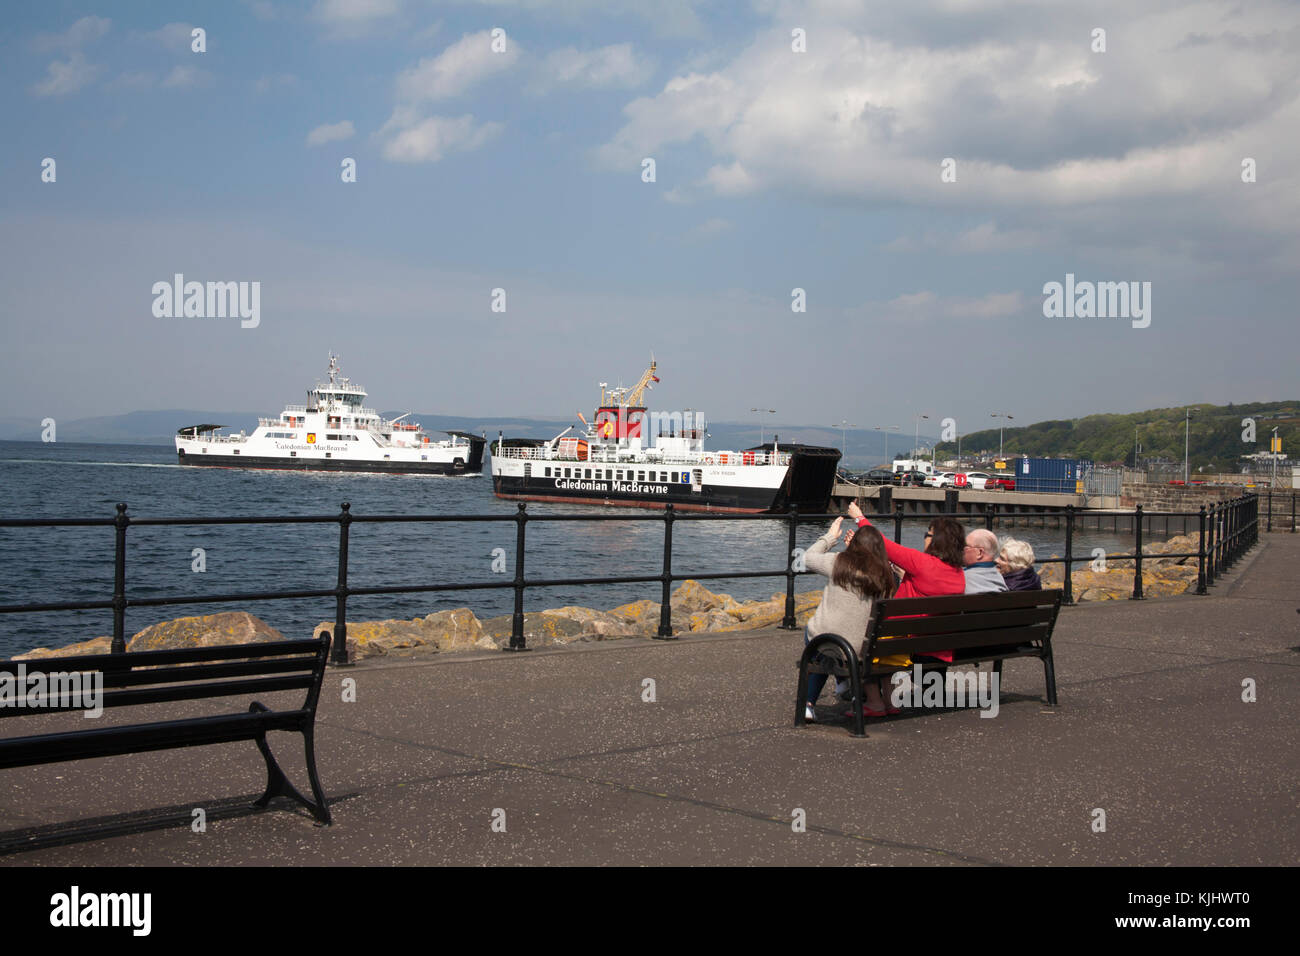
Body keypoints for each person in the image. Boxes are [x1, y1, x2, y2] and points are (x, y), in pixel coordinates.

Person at [845, 501, 967, 703]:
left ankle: (865, 693)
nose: (925, 539)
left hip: (908, 646)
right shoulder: (959, 573)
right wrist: (906, 576)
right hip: (940, 647)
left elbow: (881, 543)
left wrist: (858, 517)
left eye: (927, 535)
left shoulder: (921, 562)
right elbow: (928, 585)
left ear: (937, 540)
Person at [802, 516, 896, 721]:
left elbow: (807, 558)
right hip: (863, 648)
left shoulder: (838, 563)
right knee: (830, 644)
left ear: (853, 546)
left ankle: (808, 703)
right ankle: (843, 682)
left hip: (831, 642)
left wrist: (829, 537)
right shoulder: (886, 574)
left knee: (817, 641)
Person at [963, 529, 1008, 594]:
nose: (962, 550)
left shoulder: (962, 578)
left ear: (980, 553)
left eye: (966, 547)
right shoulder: (1000, 579)